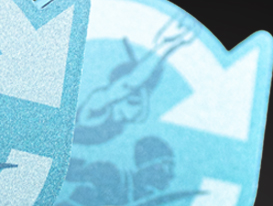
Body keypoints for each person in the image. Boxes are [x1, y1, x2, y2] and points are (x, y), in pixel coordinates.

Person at [73, 15, 195, 145]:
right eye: (134, 101)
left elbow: (132, 84)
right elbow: (130, 83)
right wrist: (164, 46)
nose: (133, 92)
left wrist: (166, 47)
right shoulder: (97, 107)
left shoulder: (113, 111)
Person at [50, 136, 175, 206]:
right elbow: (71, 171)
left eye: (171, 166)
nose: (170, 174)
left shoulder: (148, 196)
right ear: (147, 166)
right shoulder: (110, 175)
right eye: (165, 165)